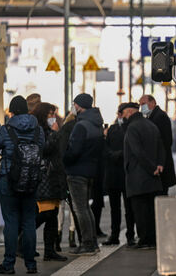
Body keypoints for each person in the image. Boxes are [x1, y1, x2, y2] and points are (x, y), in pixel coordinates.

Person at [0, 95, 44, 274]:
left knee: (11, 221)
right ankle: (31, 265)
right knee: (28, 221)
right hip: (32, 180)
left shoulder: (6, 129)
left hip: (9, 179)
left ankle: (9, 264)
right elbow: (43, 147)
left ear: (11, 111)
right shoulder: (38, 130)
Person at [63, 93, 104, 255]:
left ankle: (87, 243)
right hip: (90, 170)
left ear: (79, 106)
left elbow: (74, 150)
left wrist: (64, 160)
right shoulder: (96, 124)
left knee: (80, 209)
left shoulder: (81, 126)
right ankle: (92, 242)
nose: (73, 107)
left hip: (77, 171)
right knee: (86, 208)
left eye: (74, 104)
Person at [121, 102, 164, 249]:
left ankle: (144, 240)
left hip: (138, 176)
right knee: (151, 211)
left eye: (125, 112)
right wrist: (159, 165)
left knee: (139, 211)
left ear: (130, 112)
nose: (124, 116)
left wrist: (151, 168)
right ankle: (152, 240)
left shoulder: (132, 127)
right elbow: (161, 146)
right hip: (153, 178)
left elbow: (137, 152)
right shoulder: (151, 125)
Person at [31, 102, 69, 261]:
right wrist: (54, 134)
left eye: (54, 114)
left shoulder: (48, 130)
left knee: (52, 215)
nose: (53, 117)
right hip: (44, 177)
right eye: (50, 114)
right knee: (44, 214)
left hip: (53, 177)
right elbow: (44, 149)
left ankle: (49, 250)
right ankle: (22, 240)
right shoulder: (37, 131)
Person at [102, 105, 135, 246]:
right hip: (117, 173)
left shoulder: (130, 129)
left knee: (128, 208)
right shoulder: (114, 129)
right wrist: (117, 155)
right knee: (117, 208)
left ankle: (129, 235)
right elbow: (106, 148)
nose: (121, 117)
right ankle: (116, 235)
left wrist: (115, 155)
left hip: (123, 173)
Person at [139, 95, 176, 195]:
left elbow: (166, 141)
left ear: (152, 102)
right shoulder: (153, 116)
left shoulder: (160, 117)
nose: (141, 107)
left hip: (161, 164)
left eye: (143, 104)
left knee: (161, 194)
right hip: (160, 163)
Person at [56, 112, 79, 250]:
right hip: (74, 172)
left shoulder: (62, 131)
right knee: (74, 206)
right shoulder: (78, 129)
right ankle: (72, 235)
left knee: (60, 206)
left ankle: (58, 235)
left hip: (61, 172)